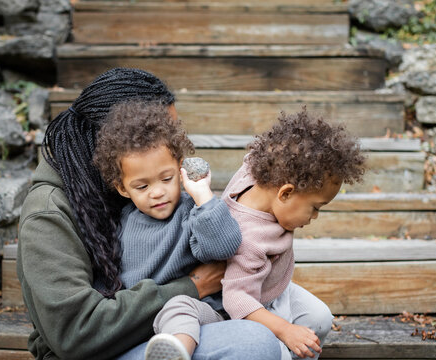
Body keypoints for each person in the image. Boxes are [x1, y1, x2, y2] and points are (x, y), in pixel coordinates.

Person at [16, 68, 281, 360]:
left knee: (299, 318)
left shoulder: (136, 194)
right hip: (98, 350)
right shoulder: (47, 214)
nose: (169, 143)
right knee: (253, 343)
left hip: (157, 327)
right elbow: (76, 332)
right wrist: (194, 286)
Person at [150, 108, 366, 360]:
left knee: (319, 318)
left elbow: (264, 154)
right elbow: (237, 300)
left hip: (270, 287)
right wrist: (284, 330)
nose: (314, 217)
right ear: (285, 193)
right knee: (181, 309)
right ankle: (180, 351)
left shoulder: (255, 172)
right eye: (315, 207)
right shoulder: (250, 240)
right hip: (240, 306)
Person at [92, 100, 242, 359]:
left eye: (166, 178)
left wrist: (203, 196)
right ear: (122, 188)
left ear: (179, 169)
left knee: (178, 306)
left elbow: (225, 246)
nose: (158, 192)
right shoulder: (123, 222)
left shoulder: (192, 213)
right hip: (143, 323)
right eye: (142, 187)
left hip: (197, 314)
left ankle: (176, 353)